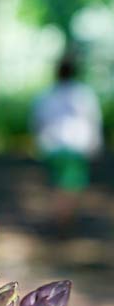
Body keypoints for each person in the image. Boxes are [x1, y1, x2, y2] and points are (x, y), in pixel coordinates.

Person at [30, 55, 103, 230]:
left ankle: (60, 218)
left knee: (58, 184)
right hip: (76, 148)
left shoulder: (46, 95)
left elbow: (36, 122)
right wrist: (95, 146)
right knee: (71, 187)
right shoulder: (84, 94)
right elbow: (93, 121)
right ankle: (64, 220)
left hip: (52, 148)